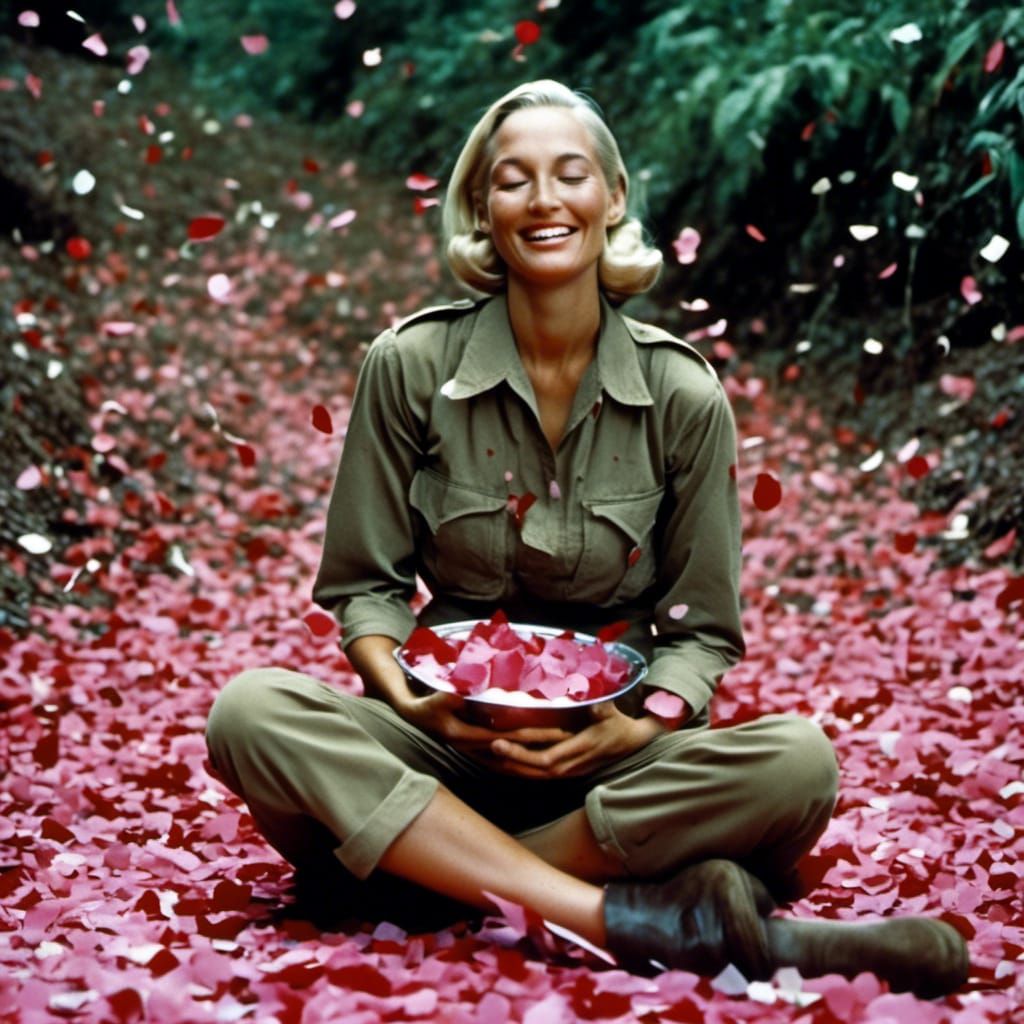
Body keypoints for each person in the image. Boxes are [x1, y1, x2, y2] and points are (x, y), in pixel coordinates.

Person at [206, 80, 968, 997]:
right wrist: (408, 707)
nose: (543, 201)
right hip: (444, 742)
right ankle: (612, 912)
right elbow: (364, 587)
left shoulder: (682, 395)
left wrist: (625, 733)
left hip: (609, 768)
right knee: (249, 713)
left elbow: (701, 632)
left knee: (796, 762)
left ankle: (419, 874)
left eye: (570, 175)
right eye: (514, 180)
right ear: (482, 208)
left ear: (613, 197)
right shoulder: (408, 366)